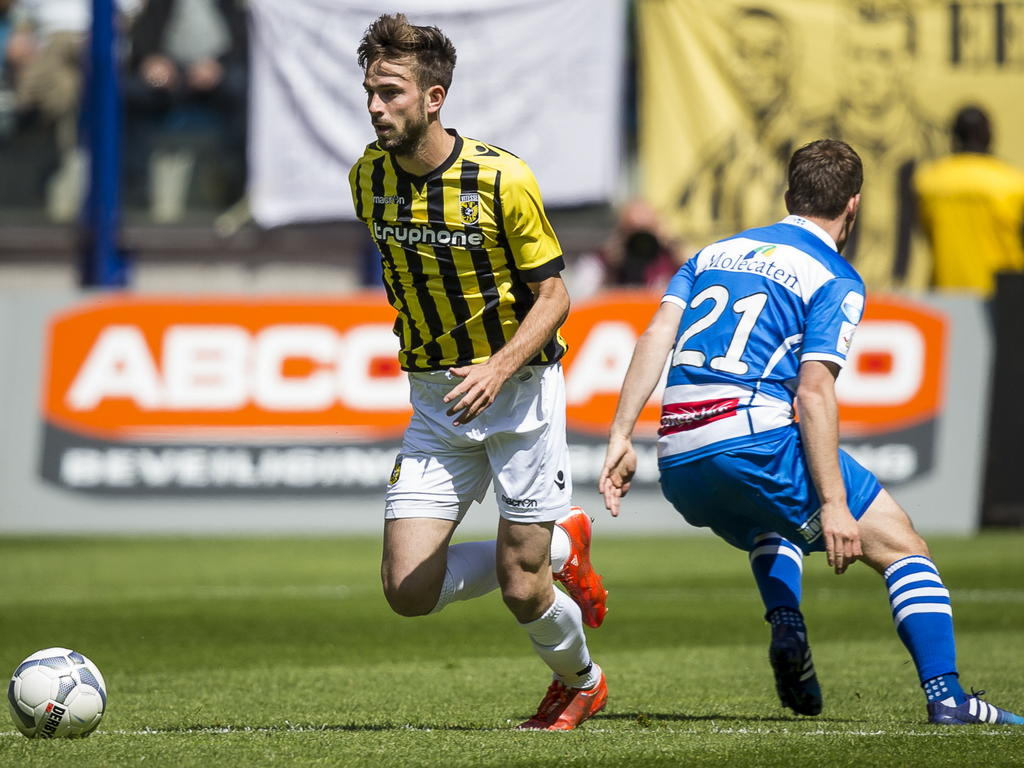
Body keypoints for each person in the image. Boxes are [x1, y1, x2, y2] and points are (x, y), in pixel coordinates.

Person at [599, 138, 1024, 726]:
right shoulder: (835, 276)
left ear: (787, 196)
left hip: (678, 456)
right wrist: (834, 504)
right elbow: (814, 391)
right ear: (853, 206)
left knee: (770, 521)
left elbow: (654, 338)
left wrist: (621, 435)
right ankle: (949, 698)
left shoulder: (715, 253)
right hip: (751, 441)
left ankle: (786, 621)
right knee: (904, 548)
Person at [348, 13, 608, 731]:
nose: (377, 106)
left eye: (392, 92)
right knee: (406, 589)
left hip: (518, 395)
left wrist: (497, 365)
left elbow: (554, 296)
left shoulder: (501, 179)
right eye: (371, 91)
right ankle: (563, 541)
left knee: (523, 589)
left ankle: (581, 682)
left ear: (434, 99)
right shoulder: (366, 179)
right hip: (436, 404)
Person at [914, 105, 1024, 298]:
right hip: (1004, 296)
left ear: (954, 136)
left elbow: (922, 231)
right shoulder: (1013, 183)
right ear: (989, 135)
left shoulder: (929, 181)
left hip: (945, 293)